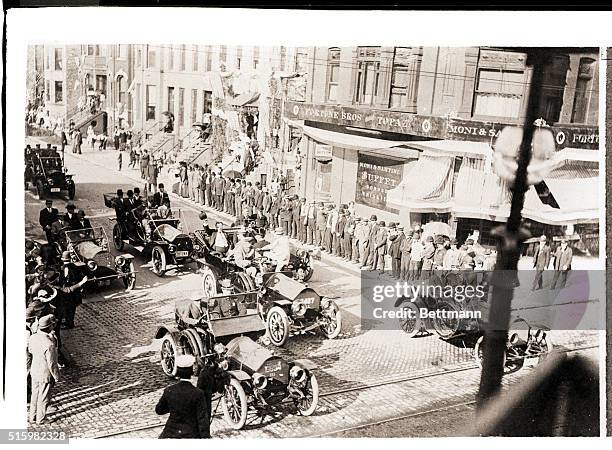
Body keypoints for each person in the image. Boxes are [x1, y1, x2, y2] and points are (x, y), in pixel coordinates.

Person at [155, 354, 210, 439]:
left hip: (171, 432)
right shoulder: (198, 393)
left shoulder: (169, 391)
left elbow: (159, 410)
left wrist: (175, 406)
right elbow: (202, 420)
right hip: (191, 434)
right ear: (192, 371)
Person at [28, 314, 61, 425]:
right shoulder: (49, 344)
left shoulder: (33, 337)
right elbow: (52, 363)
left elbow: (31, 351)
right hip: (45, 374)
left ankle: (32, 417)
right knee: (44, 397)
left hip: (35, 370)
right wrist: (57, 376)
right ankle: (41, 419)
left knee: (35, 395)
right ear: (50, 327)